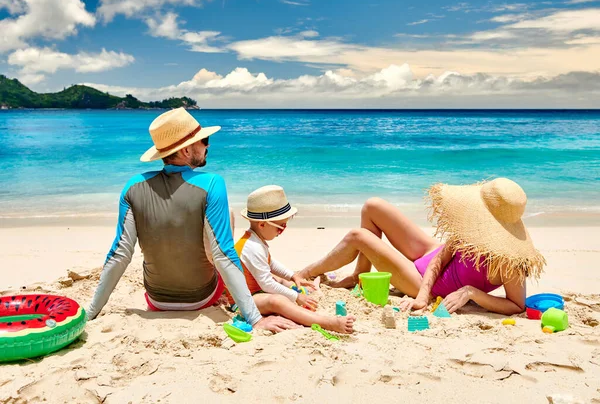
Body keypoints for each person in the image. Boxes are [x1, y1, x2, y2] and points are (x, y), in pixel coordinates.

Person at [87, 108, 295, 333]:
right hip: (202, 297)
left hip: (156, 300)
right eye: (203, 140)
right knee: (229, 218)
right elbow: (223, 255)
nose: (207, 146)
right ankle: (236, 293)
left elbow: (120, 255)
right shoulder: (212, 183)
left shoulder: (133, 186)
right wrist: (255, 319)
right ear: (186, 149)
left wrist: (91, 312)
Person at [296, 178, 546, 315]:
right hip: (430, 258)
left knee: (357, 236)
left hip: (417, 279)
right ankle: (358, 276)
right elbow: (442, 257)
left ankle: (304, 274)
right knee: (373, 206)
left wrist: (471, 293)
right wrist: (425, 296)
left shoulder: (511, 260)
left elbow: (517, 305)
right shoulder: (473, 228)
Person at [228, 185, 355, 334]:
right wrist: (296, 297)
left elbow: (271, 263)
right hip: (242, 301)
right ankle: (328, 323)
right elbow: (266, 284)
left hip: (256, 290)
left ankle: (300, 296)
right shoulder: (252, 247)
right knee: (277, 300)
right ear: (262, 224)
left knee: (281, 281)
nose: (282, 231)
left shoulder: (256, 240)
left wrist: (293, 276)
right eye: (280, 228)